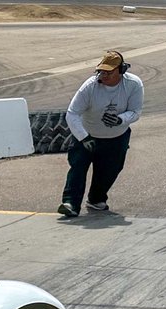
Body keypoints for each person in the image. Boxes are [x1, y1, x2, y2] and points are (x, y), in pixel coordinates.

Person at [58, 50, 144, 217]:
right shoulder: (90, 87)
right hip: (87, 135)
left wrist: (120, 119)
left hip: (116, 137)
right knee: (78, 167)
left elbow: (136, 111)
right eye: (101, 71)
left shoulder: (134, 85)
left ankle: (96, 199)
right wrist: (84, 137)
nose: (103, 76)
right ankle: (70, 203)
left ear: (121, 70)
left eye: (109, 72)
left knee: (110, 170)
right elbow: (72, 113)